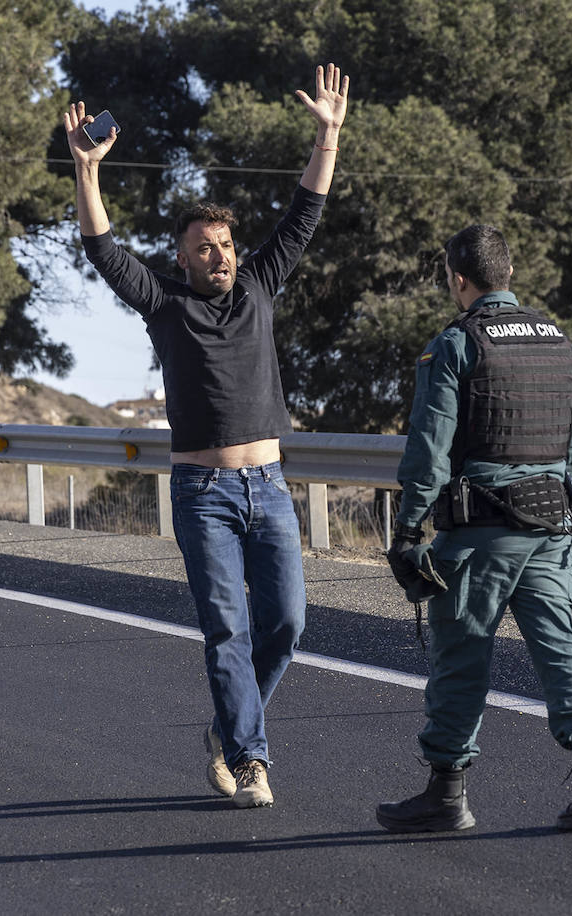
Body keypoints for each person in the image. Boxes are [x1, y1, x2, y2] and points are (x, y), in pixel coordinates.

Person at [64, 64, 349, 808]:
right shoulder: (161, 302)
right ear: (183, 255)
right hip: (204, 493)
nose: (220, 254)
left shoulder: (260, 281)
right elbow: (102, 249)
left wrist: (328, 133)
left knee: (286, 624)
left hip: (270, 487)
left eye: (225, 243)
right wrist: (87, 172)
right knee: (226, 629)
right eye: (205, 246)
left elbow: (306, 210)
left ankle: (229, 726)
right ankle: (251, 759)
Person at [376, 224, 572, 833]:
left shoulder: (456, 345)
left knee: (461, 658)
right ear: (507, 275)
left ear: (457, 279)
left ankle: (446, 793)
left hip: (480, 531)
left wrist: (408, 531)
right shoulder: (563, 346)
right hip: (550, 526)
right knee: (561, 648)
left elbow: (430, 448)